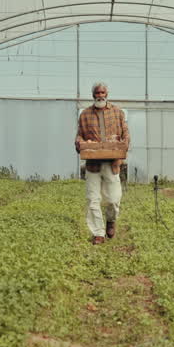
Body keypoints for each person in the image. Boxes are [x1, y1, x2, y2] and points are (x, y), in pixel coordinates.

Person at [74, 82, 130, 244]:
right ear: (93, 95)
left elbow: (126, 134)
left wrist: (122, 147)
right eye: (97, 93)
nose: (100, 95)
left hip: (112, 163)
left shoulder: (117, 113)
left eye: (102, 92)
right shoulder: (85, 114)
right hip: (93, 164)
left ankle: (111, 221)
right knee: (93, 199)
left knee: (113, 198)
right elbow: (79, 136)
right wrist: (81, 144)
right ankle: (98, 233)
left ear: (107, 94)